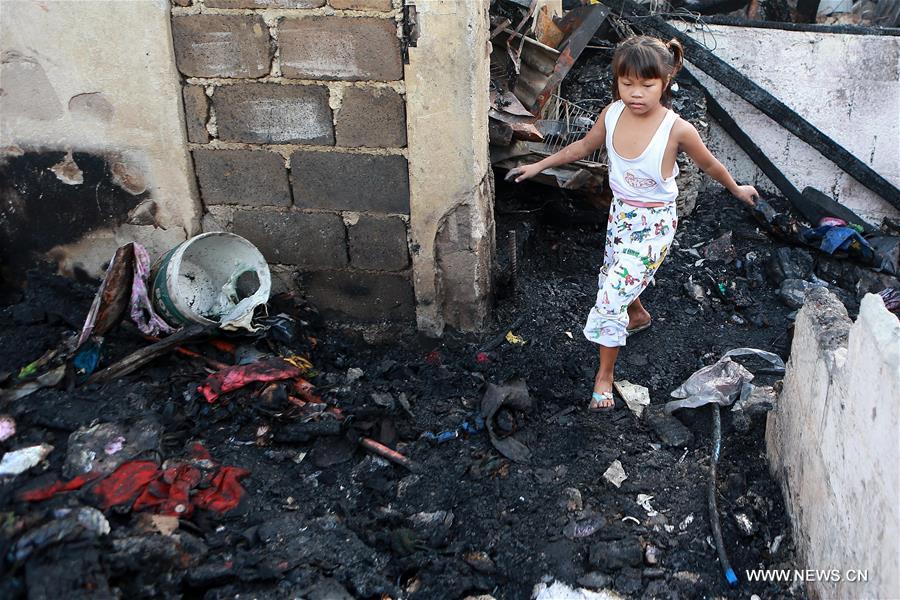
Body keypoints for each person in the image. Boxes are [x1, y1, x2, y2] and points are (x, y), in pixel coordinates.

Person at [508, 35, 758, 411]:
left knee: (609, 297)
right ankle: (637, 315)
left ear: (666, 81)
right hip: (622, 213)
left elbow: (709, 164)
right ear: (617, 82)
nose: (636, 93)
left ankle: (604, 376)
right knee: (615, 273)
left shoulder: (677, 129)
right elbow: (582, 147)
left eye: (647, 85)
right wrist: (539, 164)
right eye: (627, 84)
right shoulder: (611, 114)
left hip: (655, 223)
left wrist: (736, 188)